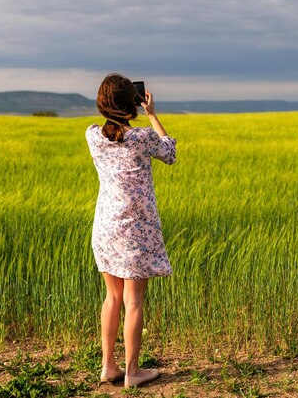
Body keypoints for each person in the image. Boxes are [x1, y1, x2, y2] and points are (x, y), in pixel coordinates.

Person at [85, 73, 176, 388]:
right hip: (136, 231)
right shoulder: (141, 137)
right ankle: (133, 372)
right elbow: (170, 153)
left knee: (112, 296)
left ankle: (108, 366)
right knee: (133, 301)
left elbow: (113, 132)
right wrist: (153, 115)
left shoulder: (92, 135)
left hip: (106, 227)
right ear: (132, 103)